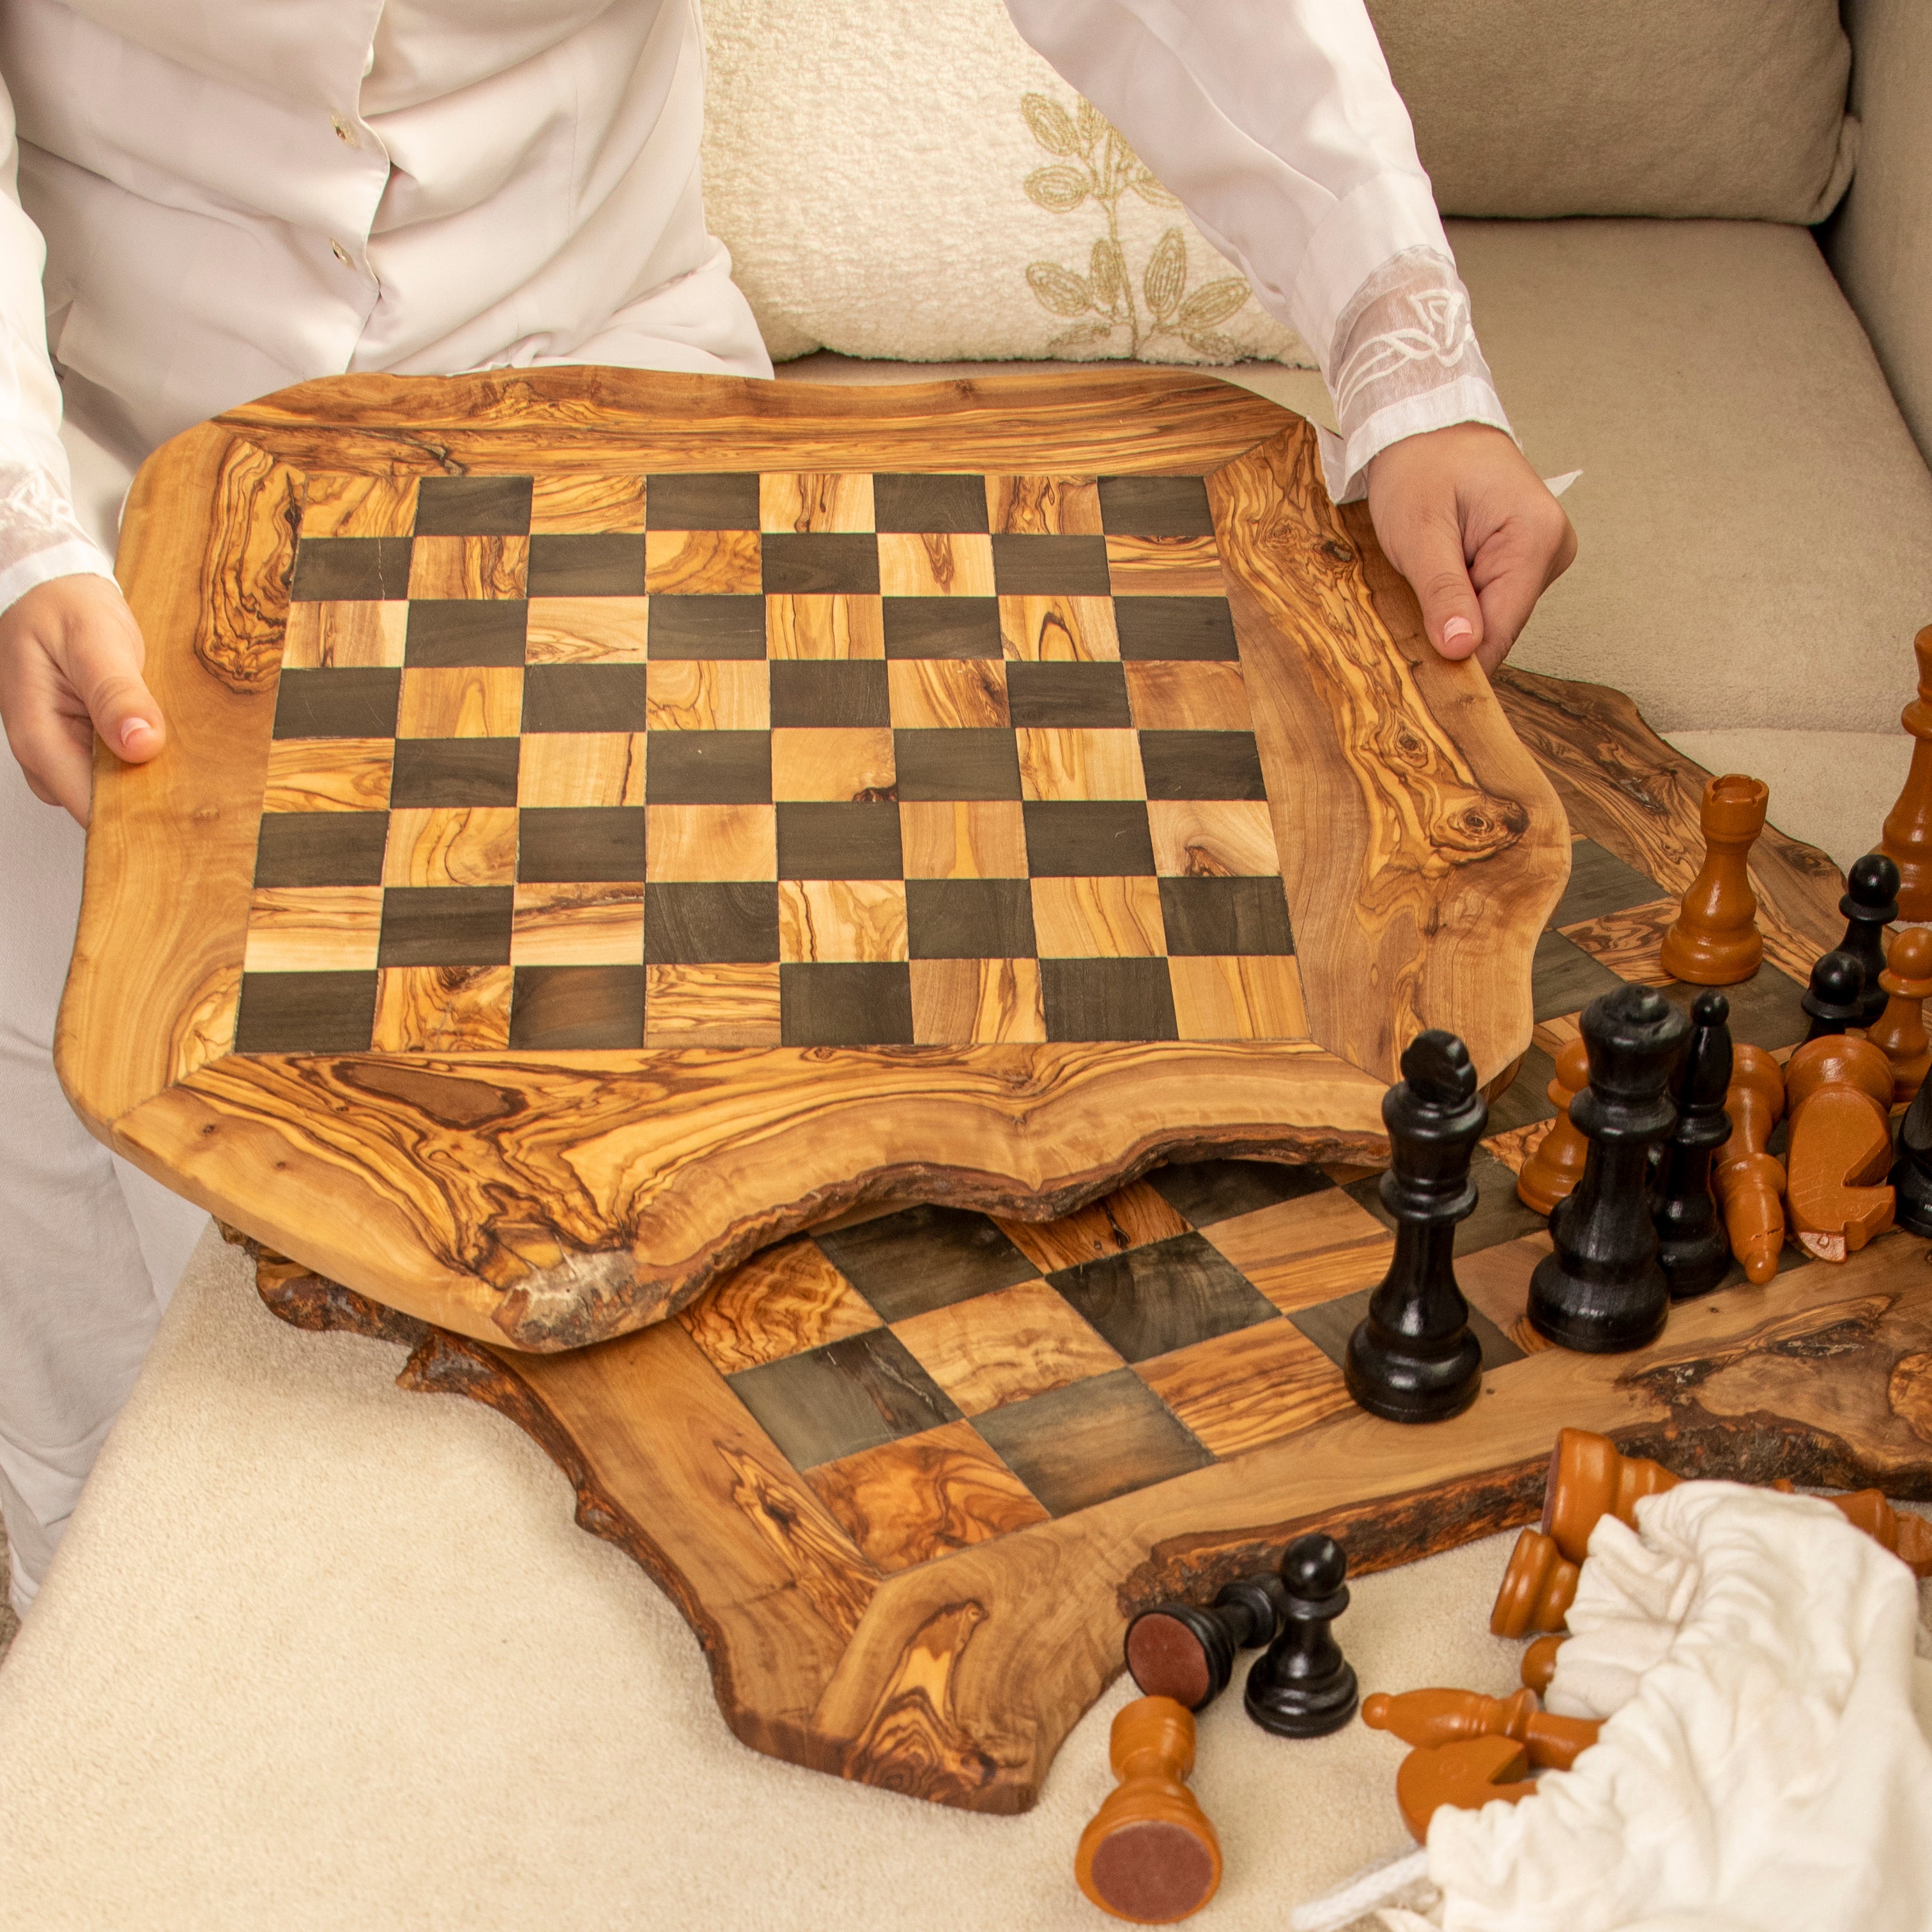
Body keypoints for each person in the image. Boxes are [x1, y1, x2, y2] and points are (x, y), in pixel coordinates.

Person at [0, 0, 1575, 1618]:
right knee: (158, 1208)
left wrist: (1411, 366)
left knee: (775, 1182)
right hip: (127, 516)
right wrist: (21, 530)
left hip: (629, 423)